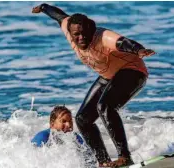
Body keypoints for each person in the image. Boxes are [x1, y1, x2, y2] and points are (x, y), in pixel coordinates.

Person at [32, 3, 156, 167]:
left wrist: (139, 50)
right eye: (77, 35)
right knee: (83, 119)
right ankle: (103, 162)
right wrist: (43, 7)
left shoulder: (103, 37)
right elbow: (59, 16)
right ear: (70, 33)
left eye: (85, 33)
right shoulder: (69, 30)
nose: (81, 38)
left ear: (91, 30)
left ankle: (125, 157)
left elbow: (123, 42)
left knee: (105, 106)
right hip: (109, 75)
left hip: (132, 71)